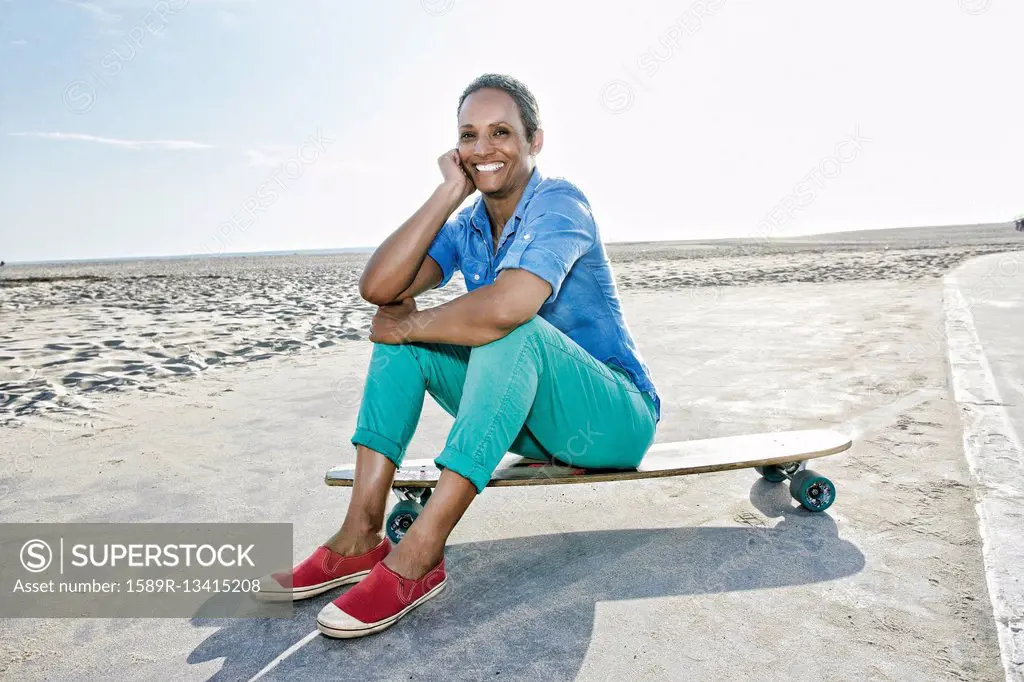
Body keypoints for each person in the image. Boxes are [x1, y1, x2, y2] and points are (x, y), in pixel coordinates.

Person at [259, 74, 661, 638]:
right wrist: (448, 193)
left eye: (501, 132)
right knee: (402, 346)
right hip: (533, 427)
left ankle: (421, 552)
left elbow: (511, 304)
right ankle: (359, 535)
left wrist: (413, 323)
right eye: (469, 135)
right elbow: (379, 287)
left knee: (505, 328)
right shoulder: (468, 223)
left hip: (614, 421)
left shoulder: (561, 202)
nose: (483, 148)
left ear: (534, 141)